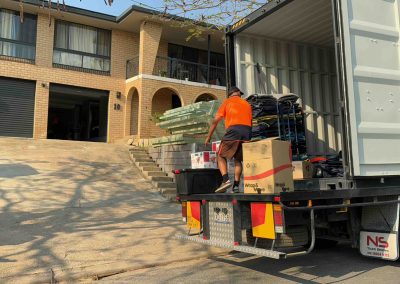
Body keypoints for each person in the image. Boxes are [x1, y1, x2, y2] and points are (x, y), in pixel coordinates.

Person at [205, 86, 252, 193]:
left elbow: (215, 121)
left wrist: (208, 137)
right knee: (238, 160)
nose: (241, 95)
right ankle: (236, 186)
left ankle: (226, 180)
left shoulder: (227, 102)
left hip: (234, 130)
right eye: (240, 93)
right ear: (237, 93)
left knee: (220, 155)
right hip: (247, 132)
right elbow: (250, 121)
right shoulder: (247, 104)